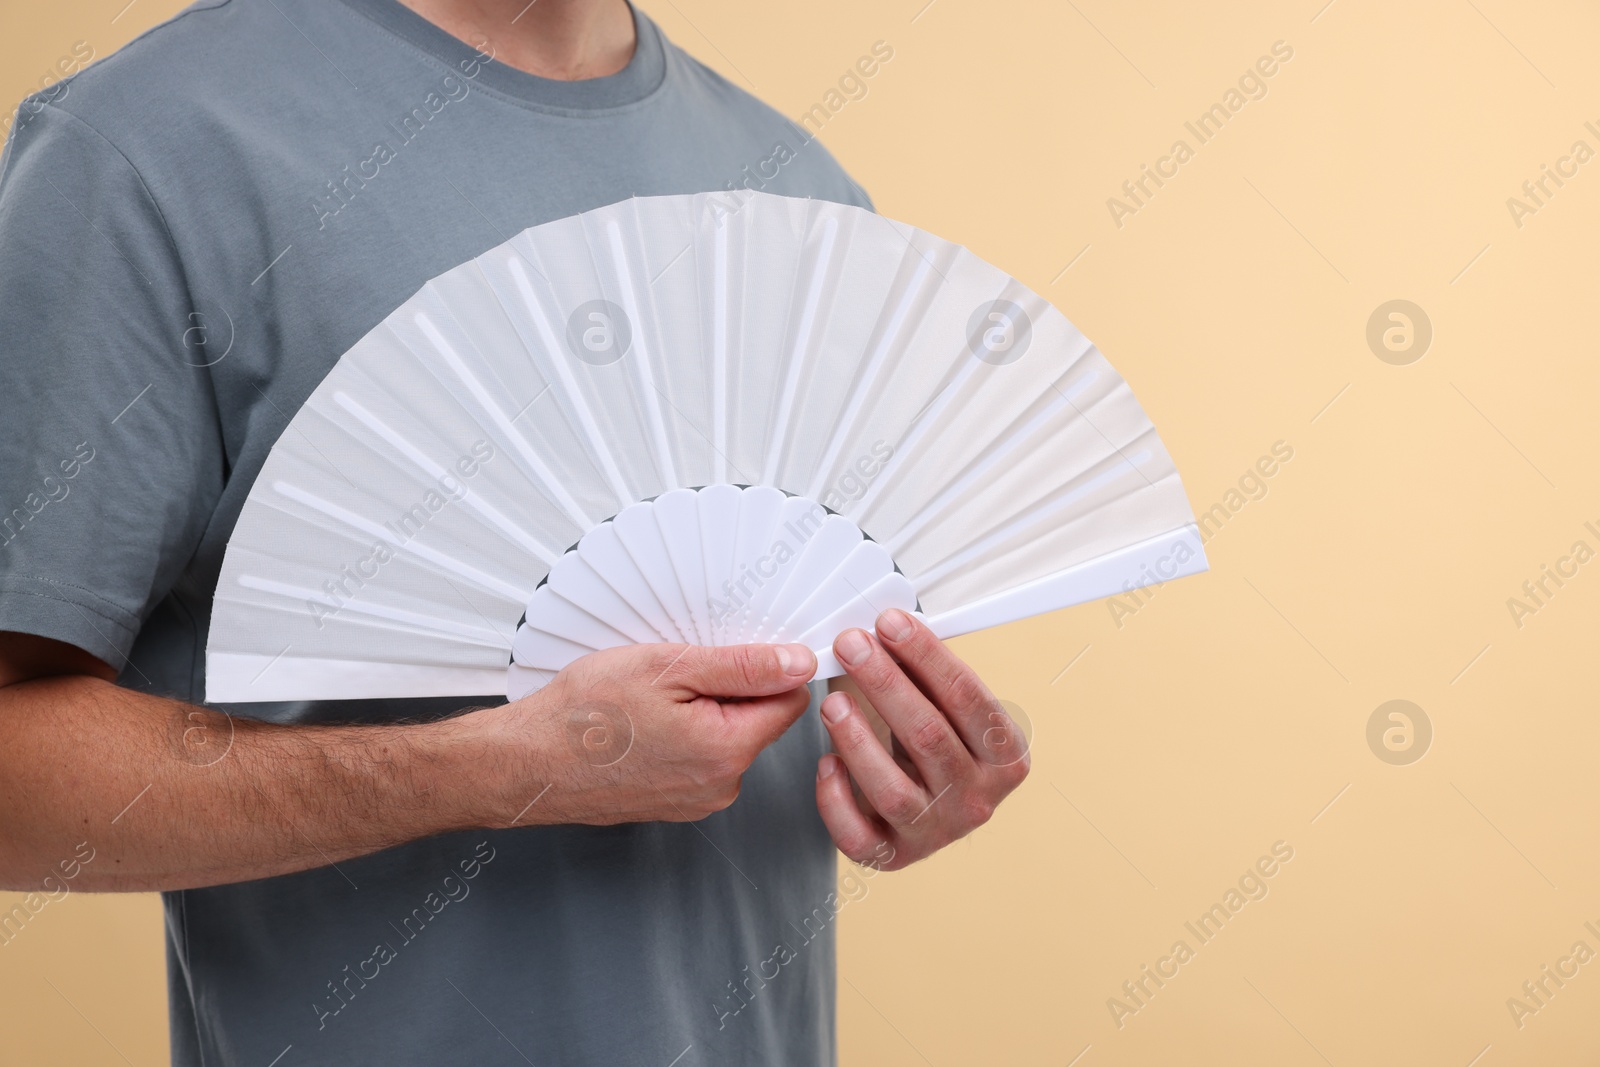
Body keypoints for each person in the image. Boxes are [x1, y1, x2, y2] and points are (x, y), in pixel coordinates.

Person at [0, 1, 1029, 1062]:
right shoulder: (151, 150)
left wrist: (910, 762)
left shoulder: (794, 188)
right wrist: (498, 767)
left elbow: (796, 692)